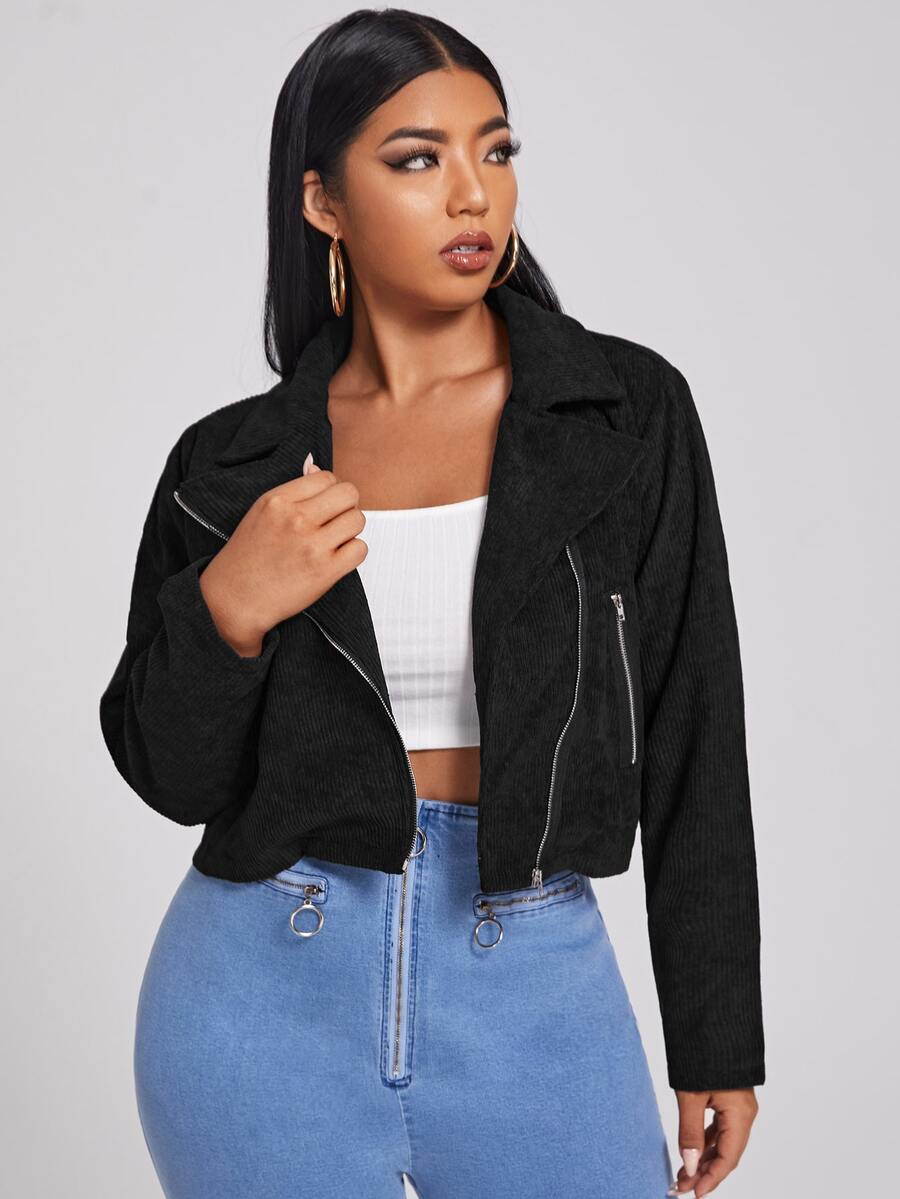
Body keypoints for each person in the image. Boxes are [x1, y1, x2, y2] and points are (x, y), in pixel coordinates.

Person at [99, 9, 765, 1198]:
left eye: (495, 150)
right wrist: (228, 606)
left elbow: (694, 727)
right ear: (322, 200)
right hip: (258, 991)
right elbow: (171, 774)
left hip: (533, 979)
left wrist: (717, 1035)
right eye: (418, 159)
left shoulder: (623, 414)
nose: (473, 193)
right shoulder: (231, 463)